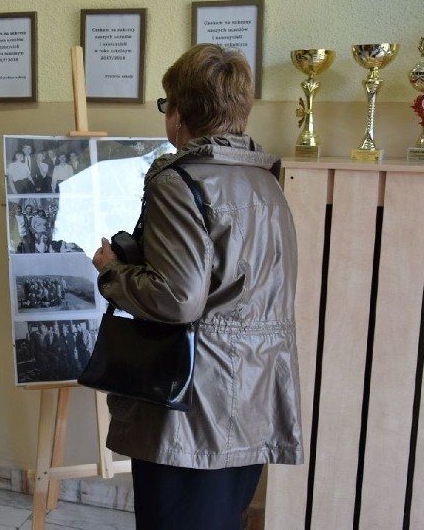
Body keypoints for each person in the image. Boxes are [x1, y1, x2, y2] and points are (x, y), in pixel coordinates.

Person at [91, 44, 302, 530]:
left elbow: (178, 298)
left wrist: (113, 273)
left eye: (168, 105)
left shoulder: (179, 180)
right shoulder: (266, 181)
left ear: (180, 114)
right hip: (254, 390)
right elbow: (235, 282)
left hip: (193, 401)